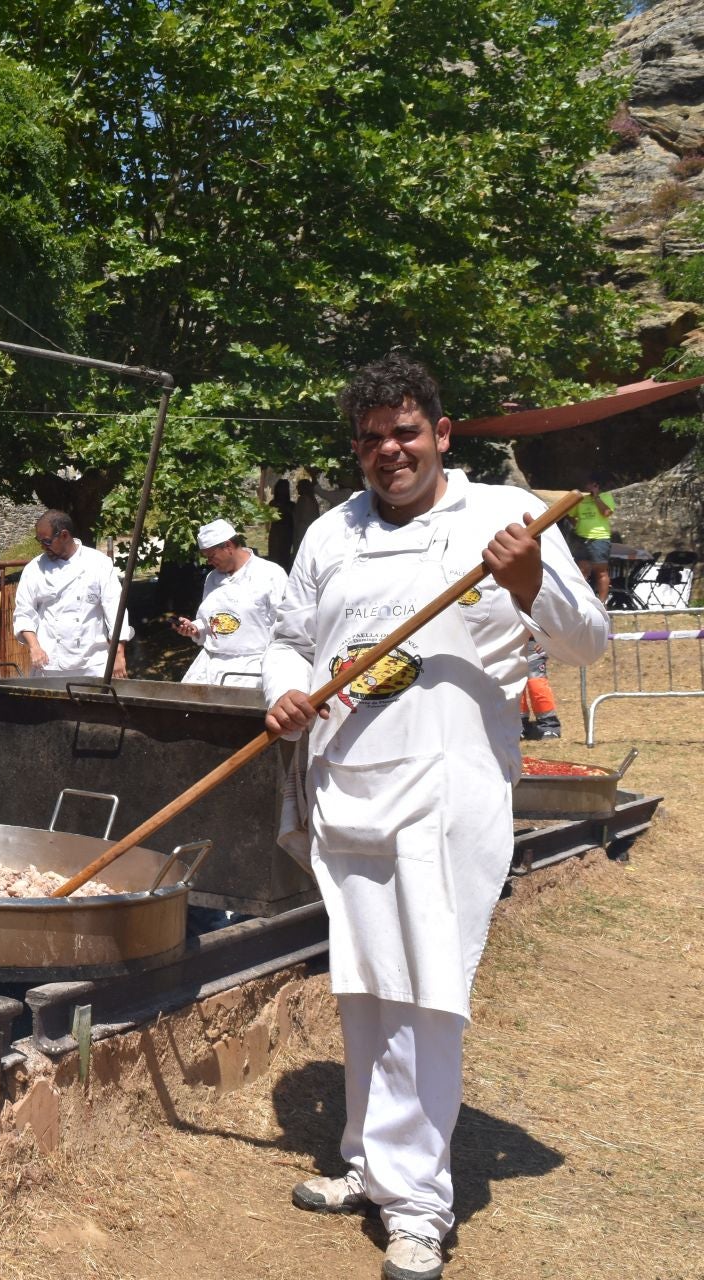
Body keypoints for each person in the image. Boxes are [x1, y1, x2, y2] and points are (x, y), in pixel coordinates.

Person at [264, 354, 607, 1280]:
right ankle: (371, 1162)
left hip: (446, 791)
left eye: (406, 432)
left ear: (442, 434)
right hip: (347, 786)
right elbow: (291, 639)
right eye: (372, 438)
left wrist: (530, 579)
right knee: (365, 983)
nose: (390, 450)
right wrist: (284, 692)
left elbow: (588, 643)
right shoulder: (331, 532)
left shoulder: (507, 516)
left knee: (427, 993)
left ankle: (418, 1203)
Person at [11, 511, 131, 678]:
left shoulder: (98, 563)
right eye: (39, 541)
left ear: (64, 535)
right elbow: (24, 613)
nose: (42, 547)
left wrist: (118, 653)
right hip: (50, 663)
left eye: (47, 541)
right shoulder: (34, 569)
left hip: (94, 663)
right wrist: (34, 647)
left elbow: (115, 610)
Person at [173, 519, 289, 686]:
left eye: (211, 556)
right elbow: (210, 620)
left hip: (250, 668)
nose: (209, 562)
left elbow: (284, 626)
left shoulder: (271, 574)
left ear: (228, 546)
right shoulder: (212, 578)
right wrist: (195, 628)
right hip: (208, 665)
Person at [567, 474, 616, 603]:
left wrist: (596, 497)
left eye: (590, 484)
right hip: (582, 538)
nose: (586, 486)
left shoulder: (606, 497)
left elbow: (606, 512)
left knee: (600, 571)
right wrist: (577, 525)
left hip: (599, 538)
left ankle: (602, 602)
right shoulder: (582, 499)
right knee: (581, 571)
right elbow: (570, 514)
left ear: (596, 485)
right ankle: (581, 600)